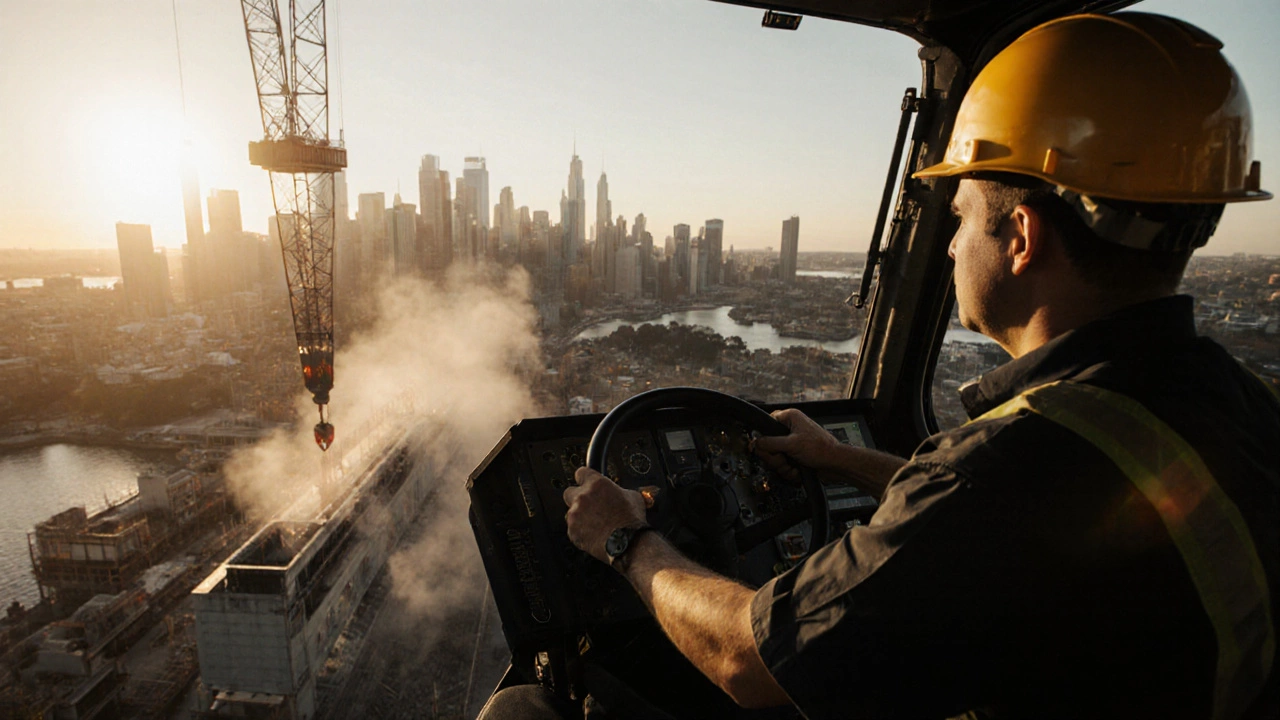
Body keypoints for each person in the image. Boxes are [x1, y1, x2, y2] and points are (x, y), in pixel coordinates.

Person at [484, 11, 1278, 719]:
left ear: (1024, 237)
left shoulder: (1007, 469)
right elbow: (1002, 528)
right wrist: (834, 459)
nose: (955, 243)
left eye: (960, 216)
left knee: (526, 708)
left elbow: (748, 661)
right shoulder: (1234, 401)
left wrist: (626, 540)